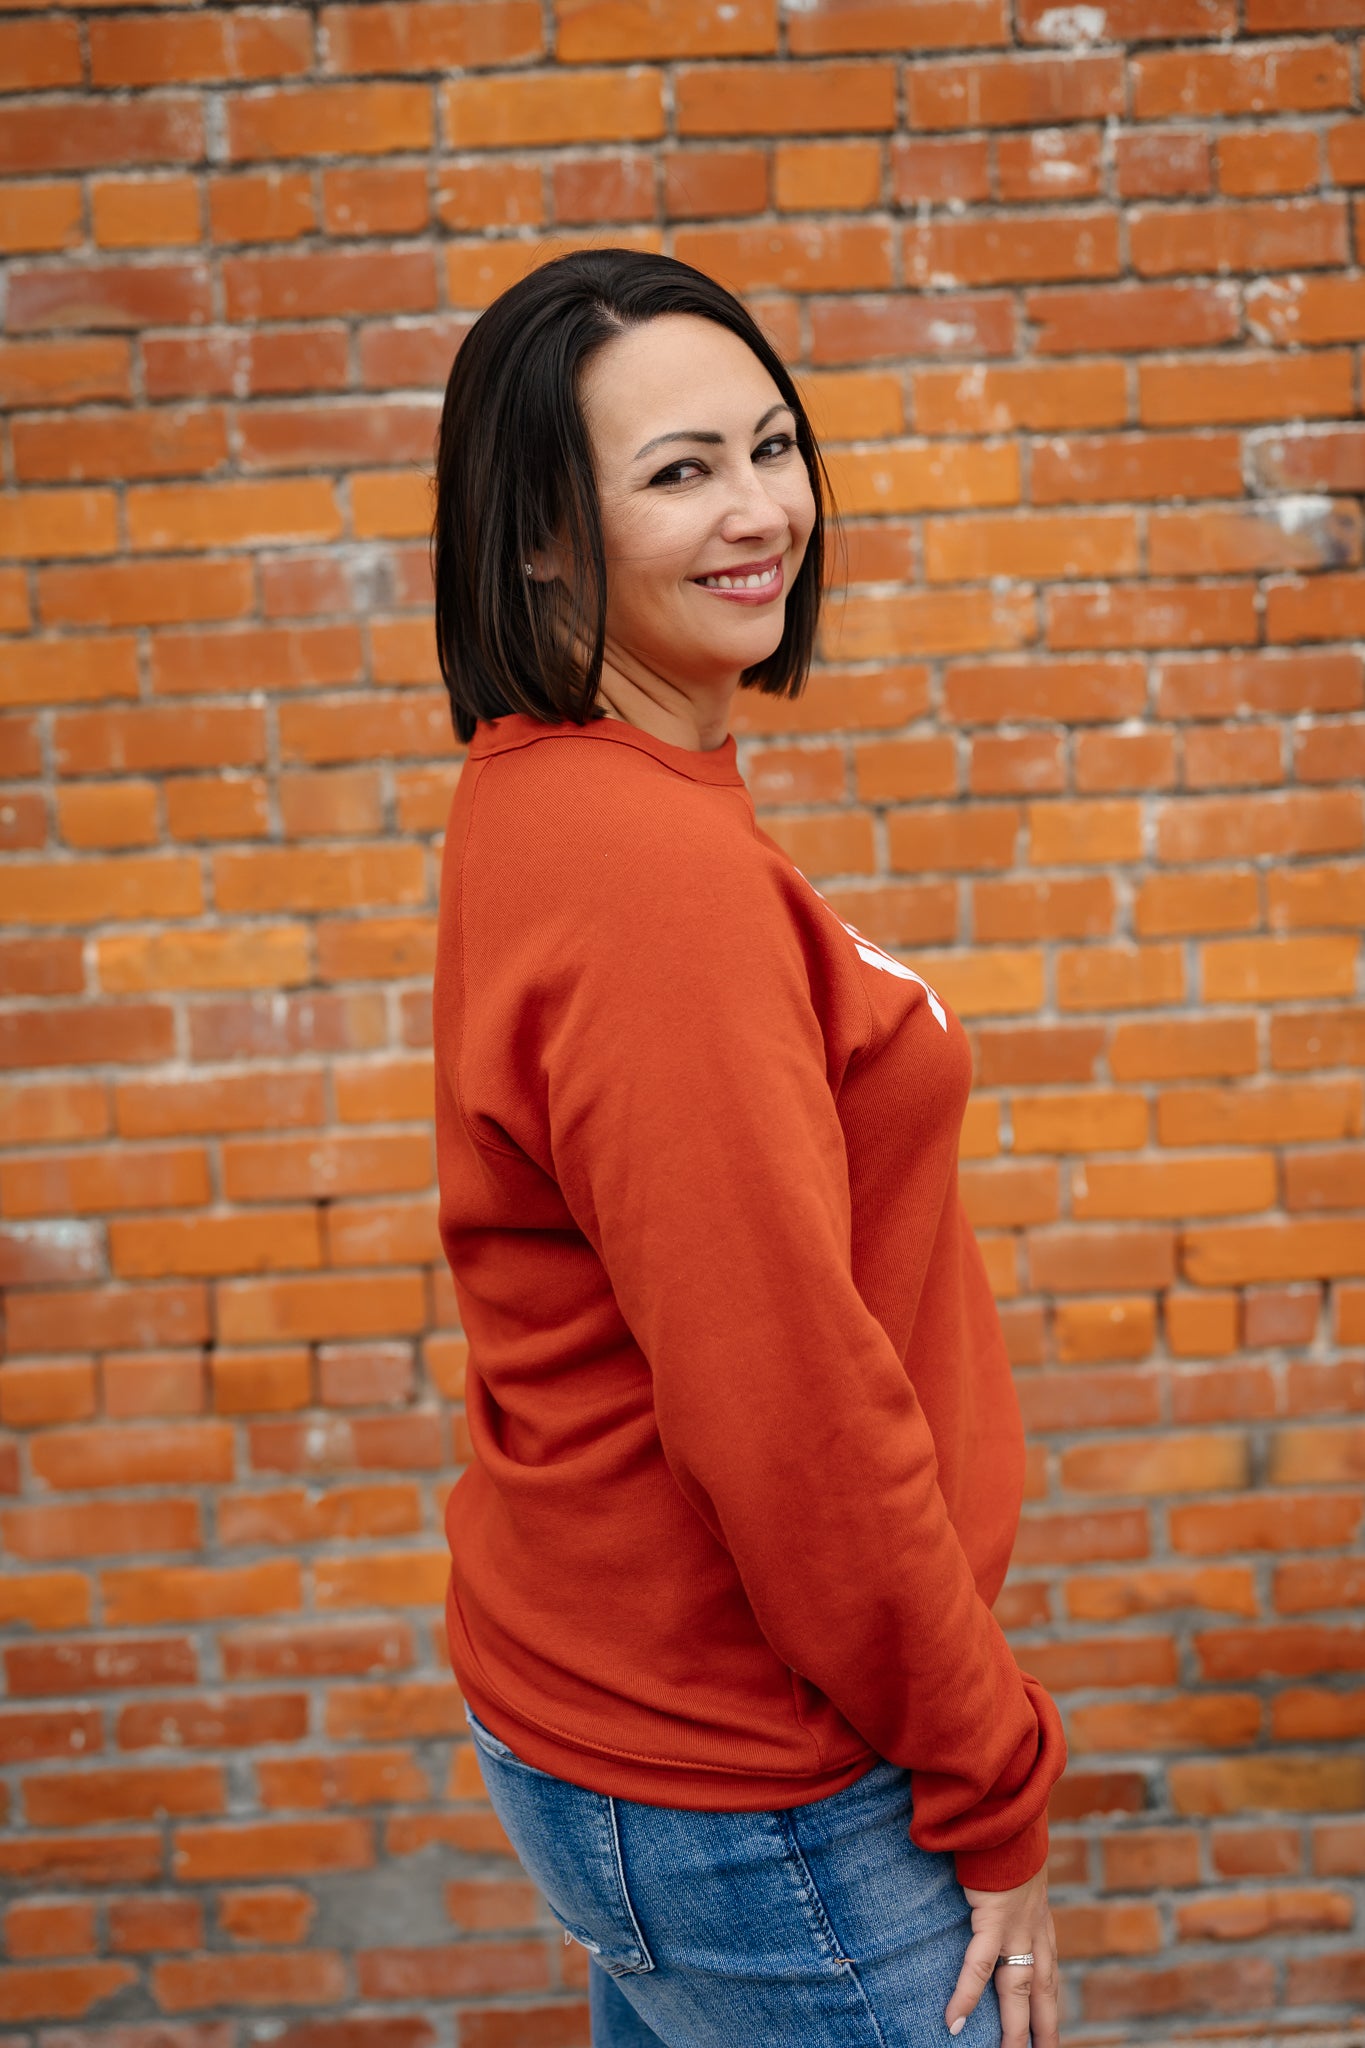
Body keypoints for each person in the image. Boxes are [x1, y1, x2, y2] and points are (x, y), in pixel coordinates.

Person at [429, 247, 1067, 2048]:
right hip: (758, 1775)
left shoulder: (551, 786)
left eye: (771, 447)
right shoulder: (653, 881)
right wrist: (991, 1775)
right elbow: (784, 1408)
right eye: (678, 471)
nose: (758, 512)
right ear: (541, 539)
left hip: (633, 1731)